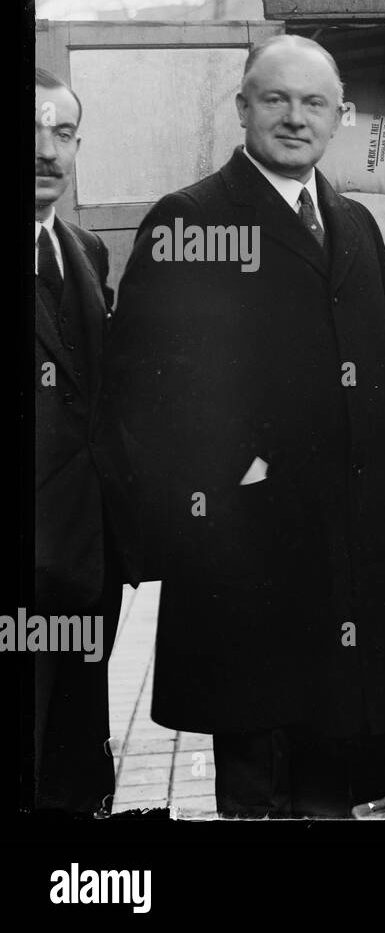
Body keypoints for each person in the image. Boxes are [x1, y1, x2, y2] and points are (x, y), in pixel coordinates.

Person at [94, 35, 385, 817]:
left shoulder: (352, 223)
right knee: (260, 774)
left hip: (349, 554)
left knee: (333, 774)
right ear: (242, 108)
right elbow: (141, 399)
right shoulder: (193, 219)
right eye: (275, 98)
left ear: (338, 117)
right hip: (249, 567)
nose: (294, 117)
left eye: (314, 103)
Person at [32, 68, 123, 813]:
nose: (46, 151)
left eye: (62, 133)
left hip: (86, 557)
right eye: (31, 130)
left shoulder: (86, 251)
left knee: (75, 751)